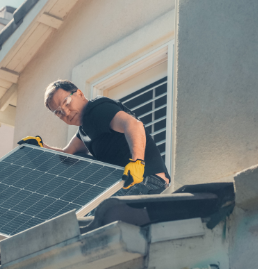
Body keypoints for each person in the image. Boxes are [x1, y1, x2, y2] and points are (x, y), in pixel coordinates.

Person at [18, 80, 170, 196]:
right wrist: (41, 148)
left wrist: (137, 163)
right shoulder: (85, 130)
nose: (66, 112)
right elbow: (67, 156)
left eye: (67, 102)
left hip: (148, 180)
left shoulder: (97, 109)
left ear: (80, 94)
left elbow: (133, 124)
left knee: (96, 215)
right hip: (131, 183)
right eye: (58, 112)